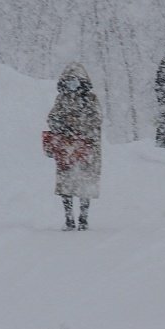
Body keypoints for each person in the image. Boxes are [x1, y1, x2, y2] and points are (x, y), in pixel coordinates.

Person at [46, 62, 102, 231]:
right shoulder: (61, 99)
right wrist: (61, 127)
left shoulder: (90, 99)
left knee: (85, 182)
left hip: (86, 146)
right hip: (66, 147)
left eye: (75, 80)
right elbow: (52, 118)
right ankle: (69, 217)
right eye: (69, 80)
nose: (72, 84)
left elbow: (96, 119)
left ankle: (83, 217)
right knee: (66, 182)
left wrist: (80, 128)